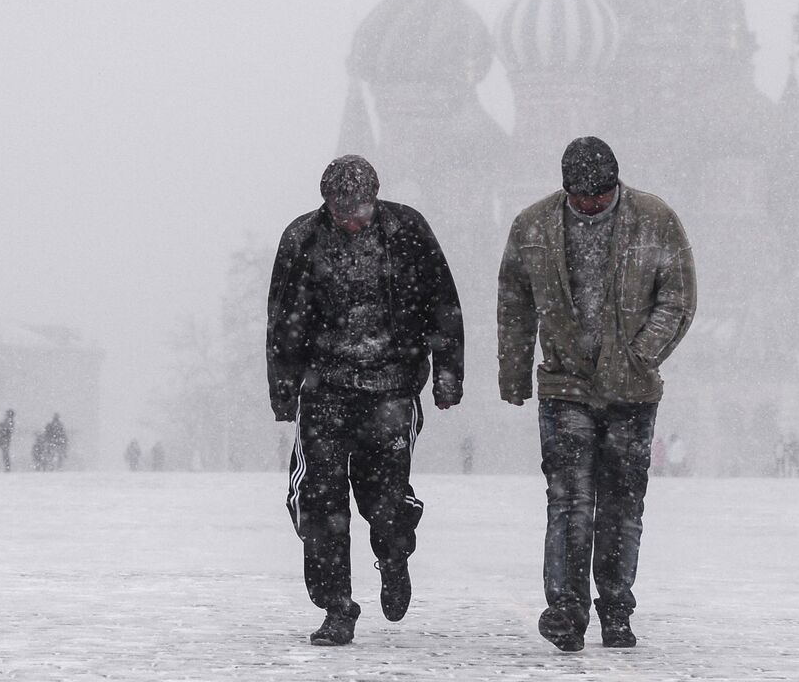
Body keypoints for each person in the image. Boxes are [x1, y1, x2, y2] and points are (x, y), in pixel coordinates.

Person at [497, 136, 696, 652]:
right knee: (568, 501)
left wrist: (640, 353)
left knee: (622, 505)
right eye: (579, 198)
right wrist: (515, 374)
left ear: (615, 186)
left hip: (632, 391)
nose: (589, 206)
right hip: (565, 385)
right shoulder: (534, 226)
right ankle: (565, 608)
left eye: (599, 198)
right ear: (565, 190)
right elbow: (515, 302)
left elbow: (677, 296)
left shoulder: (654, 219)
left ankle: (615, 607)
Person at [267, 155, 465, 647]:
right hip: (325, 387)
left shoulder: (408, 231)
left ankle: (394, 554)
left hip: (392, 386)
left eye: (356, 209)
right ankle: (337, 605)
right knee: (320, 498)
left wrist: (447, 373)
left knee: (385, 497)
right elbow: (282, 317)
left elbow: (443, 303)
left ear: (375, 200)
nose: (347, 219)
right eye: (338, 209)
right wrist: (283, 388)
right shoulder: (302, 240)